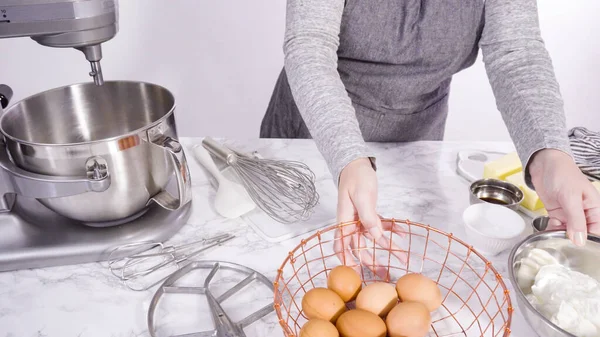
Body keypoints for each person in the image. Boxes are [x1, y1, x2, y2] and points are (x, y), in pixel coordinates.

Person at [259, 0, 600, 273]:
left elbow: (516, 53)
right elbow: (309, 45)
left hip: (417, 137)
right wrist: (349, 156)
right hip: (315, 134)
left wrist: (550, 154)